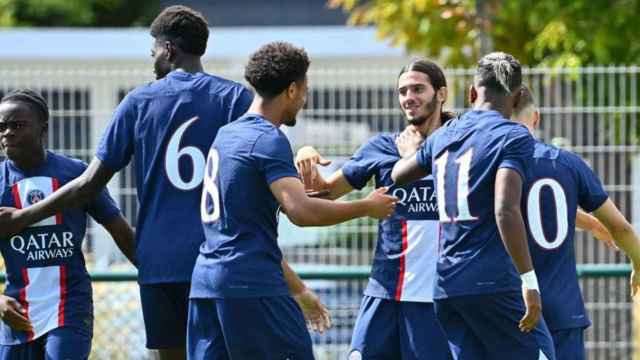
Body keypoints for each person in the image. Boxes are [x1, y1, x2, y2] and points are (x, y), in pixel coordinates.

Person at [0, 6, 329, 359]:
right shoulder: (234, 99)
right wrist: (306, 149)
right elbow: (271, 150)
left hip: (161, 265)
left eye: (154, 50)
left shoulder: (138, 103)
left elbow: (89, 184)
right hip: (223, 261)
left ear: (169, 49)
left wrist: (22, 216)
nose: (153, 59)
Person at [187, 41, 398, 359]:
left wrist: (299, 290)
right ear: (291, 90)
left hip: (206, 284)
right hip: (251, 287)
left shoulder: (227, 135)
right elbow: (300, 211)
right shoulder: (267, 138)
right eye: (305, 89)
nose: (304, 99)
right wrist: (366, 206)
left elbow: (250, 231)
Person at [391, 52, 555, 359]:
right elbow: (505, 209)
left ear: (472, 93)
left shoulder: (443, 137)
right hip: (492, 283)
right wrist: (529, 281)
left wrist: (416, 151)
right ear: (517, 98)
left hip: (447, 287)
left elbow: (399, 174)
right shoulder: (513, 136)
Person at [295, 59, 453, 359]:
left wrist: (415, 158)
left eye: (418, 89)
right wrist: (305, 155)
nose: (409, 97)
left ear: (441, 93)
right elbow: (322, 194)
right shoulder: (382, 146)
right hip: (385, 292)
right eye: (402, 91)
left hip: (436, 298)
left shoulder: (459, 145)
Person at [0, 89, 135, 359]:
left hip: (69, 307)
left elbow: (120, 230)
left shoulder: (76, 175)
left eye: (17, 125)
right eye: (2, 126)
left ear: (43, 129)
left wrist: (162, 279)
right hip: (17, 311)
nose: (7, 133)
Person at [512, 86, 640, 359]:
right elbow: (621, 227)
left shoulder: (490, 165)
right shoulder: (566, 163)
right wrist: (637, 263)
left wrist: (590, 224)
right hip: (561, 306)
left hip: (511, 305)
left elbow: (515, 211)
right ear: (536, 117)